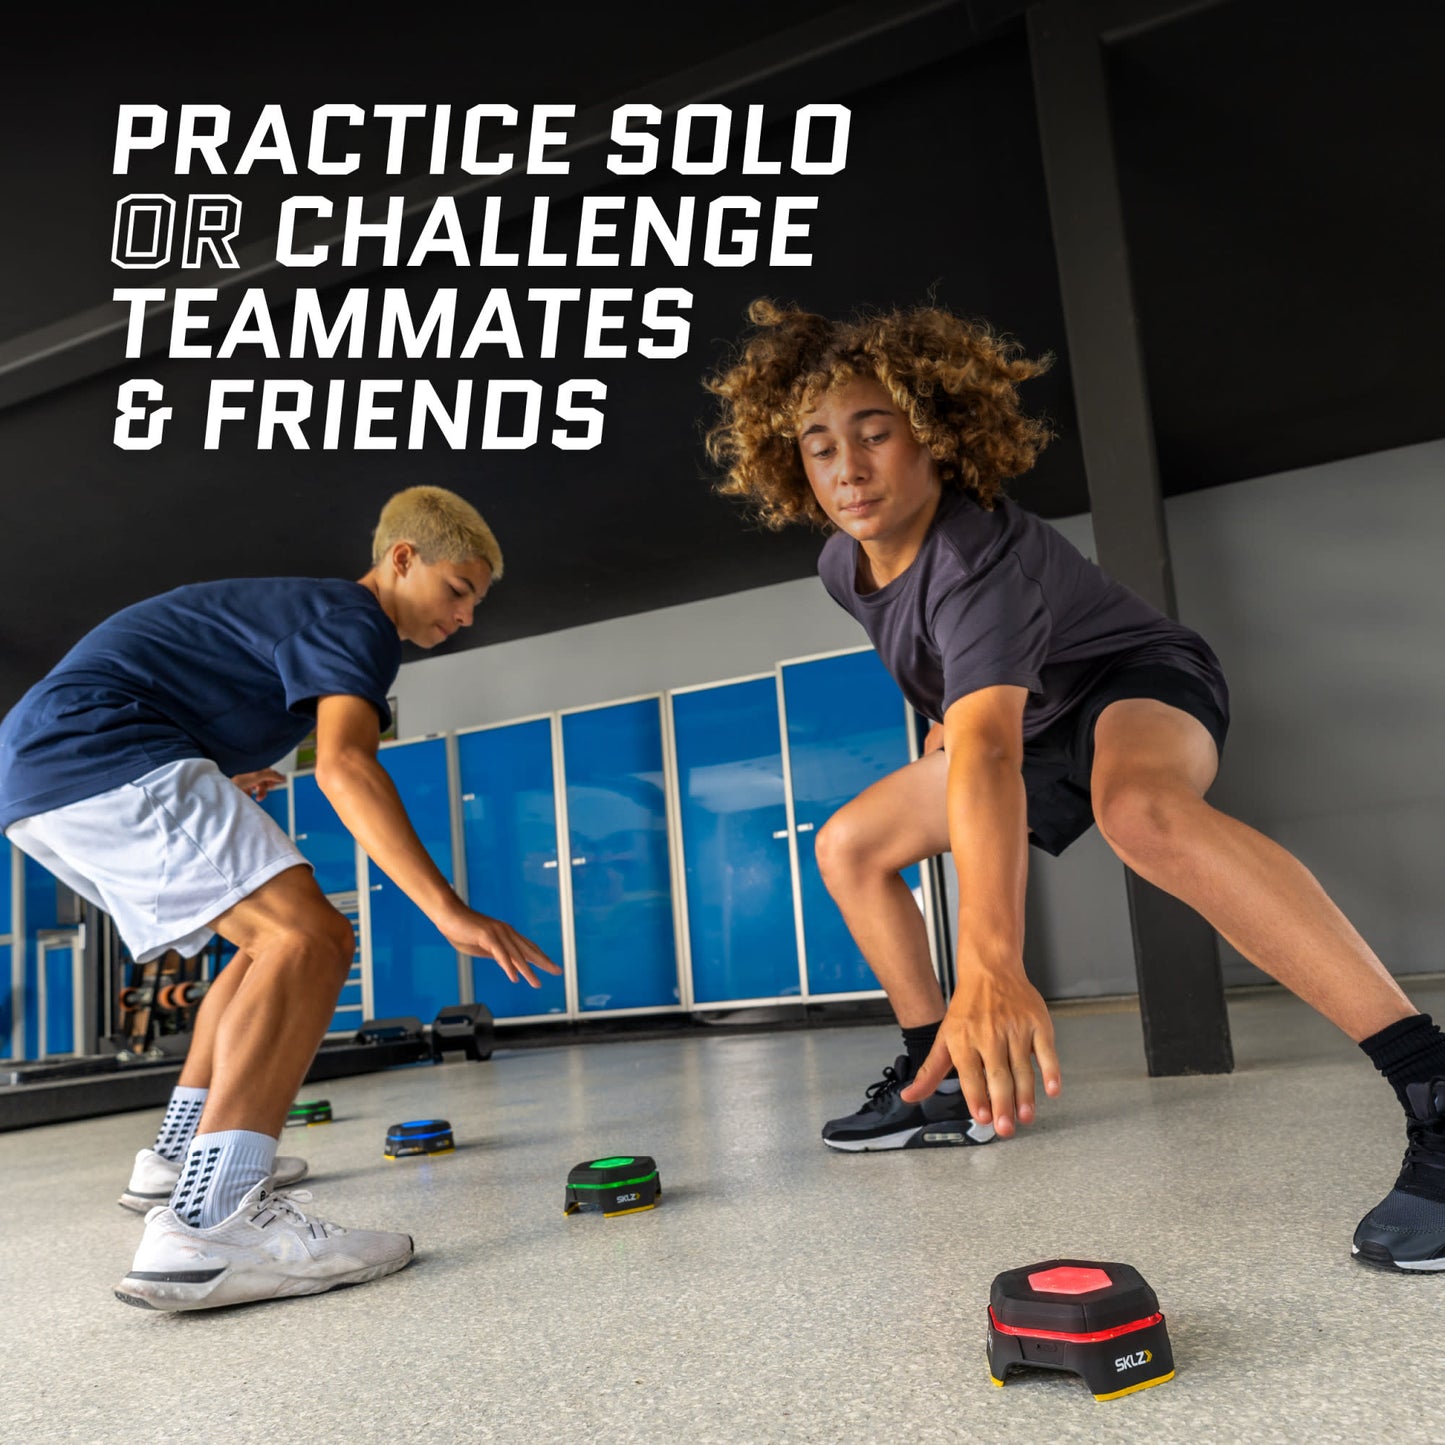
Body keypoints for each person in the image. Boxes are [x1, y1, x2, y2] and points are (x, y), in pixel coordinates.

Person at [705, 299, 1445, 1269]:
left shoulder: (977, 556)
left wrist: (993, 963)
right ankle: (944, 1078)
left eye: (874, 432)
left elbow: (987, 752)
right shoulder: (842, 565)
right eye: (817, 443)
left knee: (1140, 811)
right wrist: (946, 724)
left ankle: (1428, 1081)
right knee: (847, 844)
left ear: (936, 438)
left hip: (1130, 684)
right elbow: (948, 684)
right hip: (1025, 719)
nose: (845, 465)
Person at [0, 486, 560, 1309]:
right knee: (312, 939)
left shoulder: (308, 620)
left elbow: (183, 677)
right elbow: (343, 766)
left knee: (270, 942)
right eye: (457, 589)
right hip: (97, 748)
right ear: (401, 559)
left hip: (49, 769)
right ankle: (211, 1224)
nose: (466, 615)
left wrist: (225, 764)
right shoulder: (357, 620)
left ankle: (178, 1160)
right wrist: (449, 909)